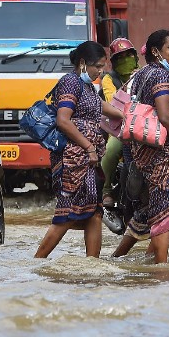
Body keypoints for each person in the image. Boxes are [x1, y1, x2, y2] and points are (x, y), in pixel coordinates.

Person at [112, 30, 169, 263]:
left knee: (151, 209)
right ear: (155, 51)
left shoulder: (143, 74)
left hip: (147, 153)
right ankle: (160, 270)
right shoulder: (161, 78)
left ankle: (120, 258)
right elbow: (165, 116)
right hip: (165, 156)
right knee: (164, 211)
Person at [35, 42, 124, 258]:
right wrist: (88, 147)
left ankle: (92, 264)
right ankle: (37, 263)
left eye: (103, 66)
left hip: (89, 161)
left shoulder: (87, 87)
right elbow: (63, 120)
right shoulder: (70, 83)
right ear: (83, 63)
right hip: (73, 159)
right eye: (97, 66)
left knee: (94, 212)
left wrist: (126, 115)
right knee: (66, 214)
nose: (100, 71)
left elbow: (100, 106)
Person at [99, 38, 139, 208]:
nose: (126, 59)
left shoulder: (144, 73)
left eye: (129, 55)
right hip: (119, 126)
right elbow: (112, 101)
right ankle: (105, 189)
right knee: (112, 149)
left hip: (142, 122)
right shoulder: (109, 78)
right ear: (114, 62)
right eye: (121, 57)